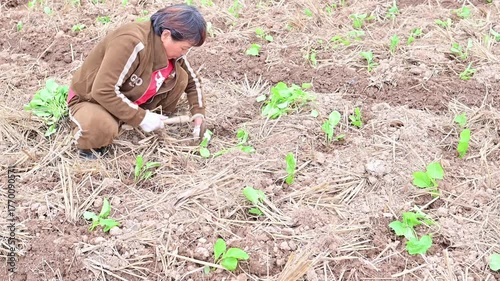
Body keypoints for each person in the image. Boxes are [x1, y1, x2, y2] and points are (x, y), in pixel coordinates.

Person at [67, 4, 207, 159]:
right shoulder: (131, 42)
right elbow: (102, 90)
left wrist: (198, 114)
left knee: (181, 77)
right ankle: (93, 140)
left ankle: (138, 118)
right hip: (93, 99)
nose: (184, 53)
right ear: (166, 35)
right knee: (99, 127)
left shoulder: (168, 47)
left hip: (130, 96)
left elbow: (193, 82)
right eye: (184, 48)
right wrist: (141, 117)